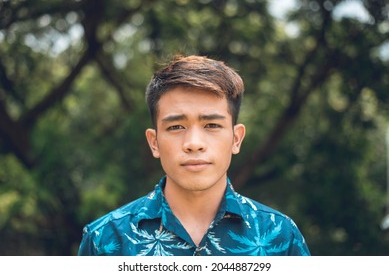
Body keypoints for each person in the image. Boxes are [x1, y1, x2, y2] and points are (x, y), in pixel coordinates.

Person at [77, 55, 311, 256]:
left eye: (211, 125)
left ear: (236, 139)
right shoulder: (104, 240)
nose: (194, 144)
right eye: (176, 127)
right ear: (154, 142)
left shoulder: (281, 237)